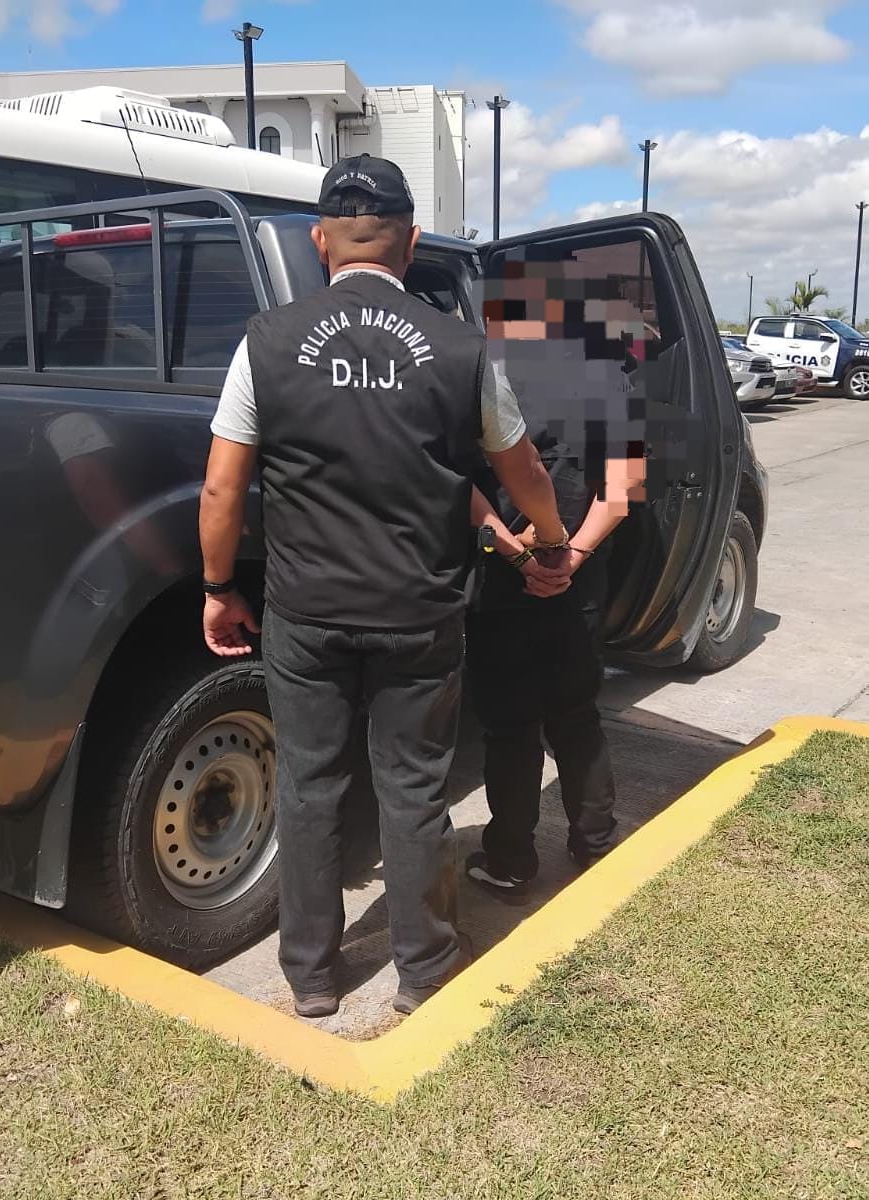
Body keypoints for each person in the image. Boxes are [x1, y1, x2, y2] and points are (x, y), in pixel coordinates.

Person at [197, 154, 569, 1018]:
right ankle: (423, 967)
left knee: (309, 788)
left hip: (306, 613)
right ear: (410, 243)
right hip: (417, 614)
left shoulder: (266, 340)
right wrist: (549, 543)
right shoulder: (461, 349)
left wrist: (218, 586)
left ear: (321, 242)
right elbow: (522, 470)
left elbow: (221, 488)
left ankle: (311, 976)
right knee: (412, 788)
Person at [463, 255, 648, 901]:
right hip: (577, 586)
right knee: (575, 716)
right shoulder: (612, 375)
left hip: (499, 580)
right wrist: (571, 557)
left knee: (509, 726)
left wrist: (516, 554)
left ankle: (511, 861)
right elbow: (622, 492)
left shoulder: (481, 372)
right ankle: (594, 842)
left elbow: (459, 486)